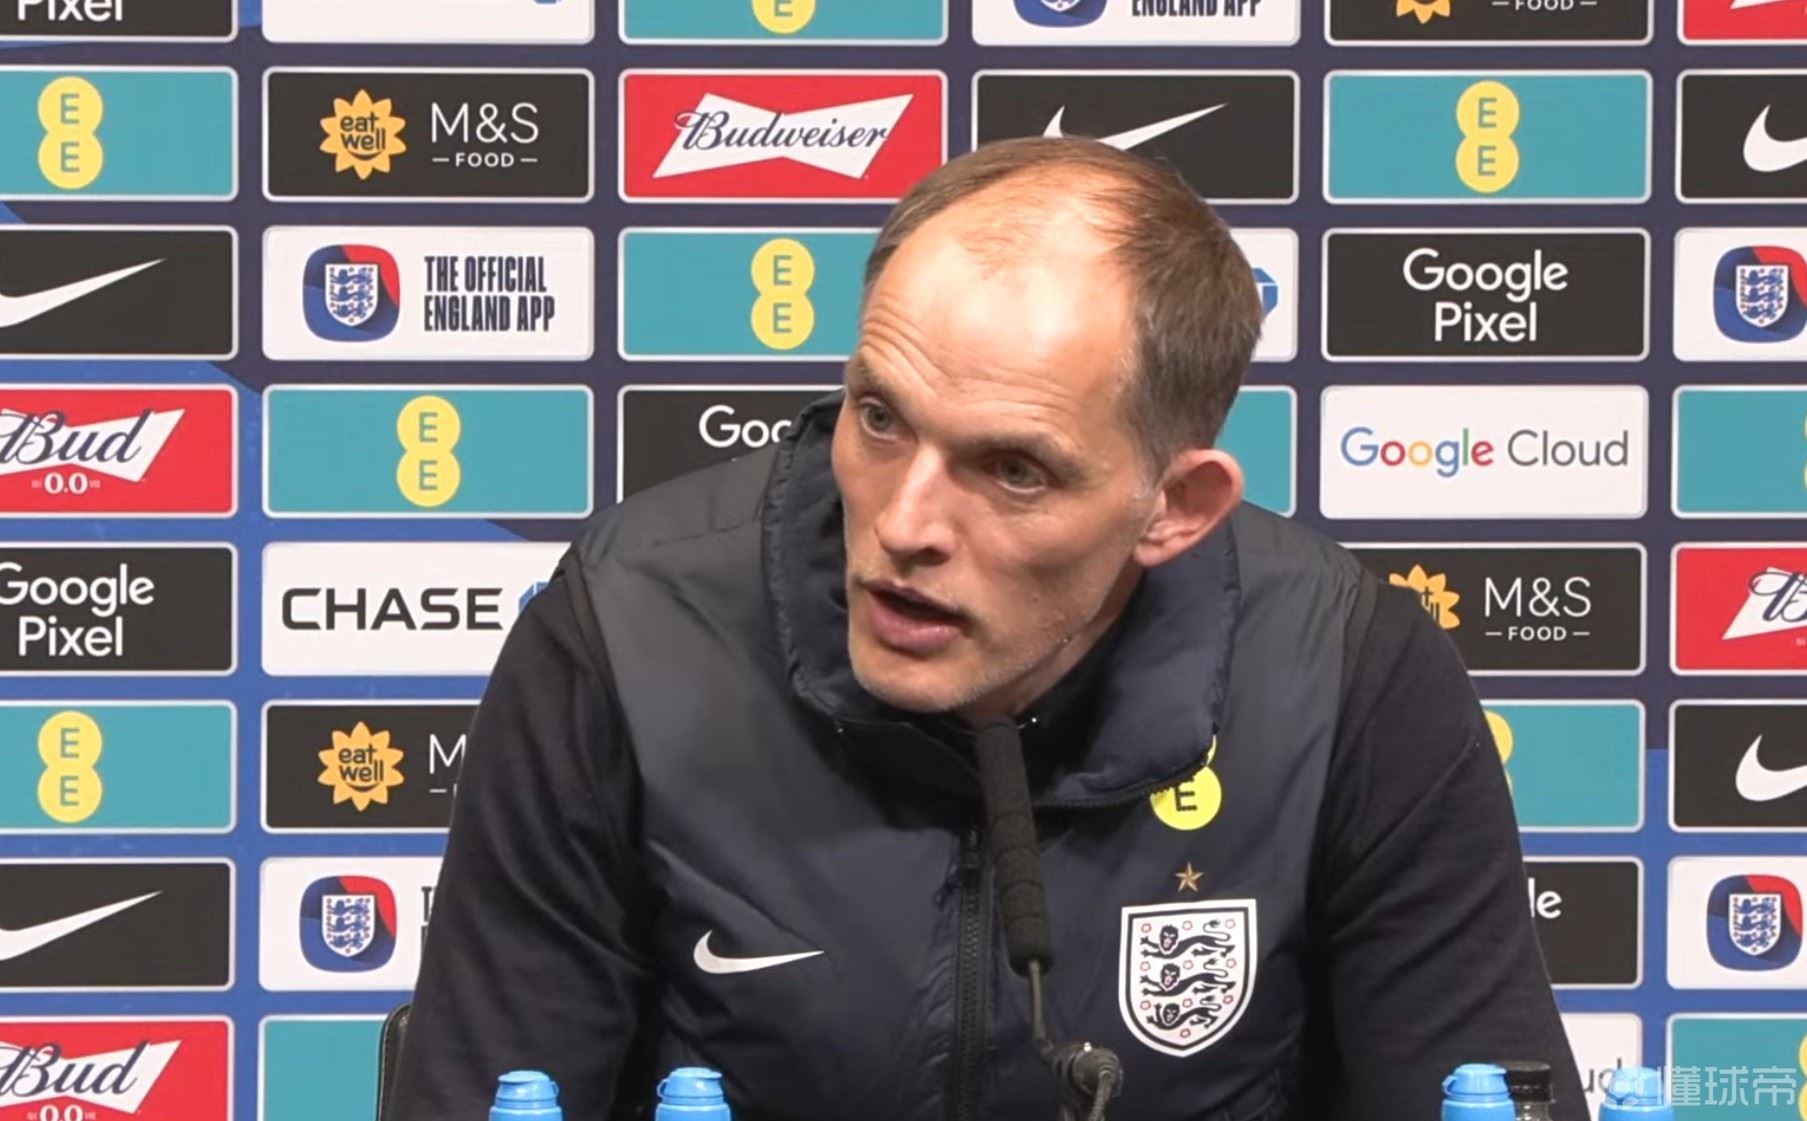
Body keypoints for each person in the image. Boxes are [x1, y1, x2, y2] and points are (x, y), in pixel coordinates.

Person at [388, 137, 1587, 1121]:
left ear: (1173, 506)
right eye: (879, 418)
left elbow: (1475, 1090)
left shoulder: (1347, 676)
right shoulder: (627, 634)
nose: (904, 525)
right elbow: (491, 1089)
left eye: (1013, 470)